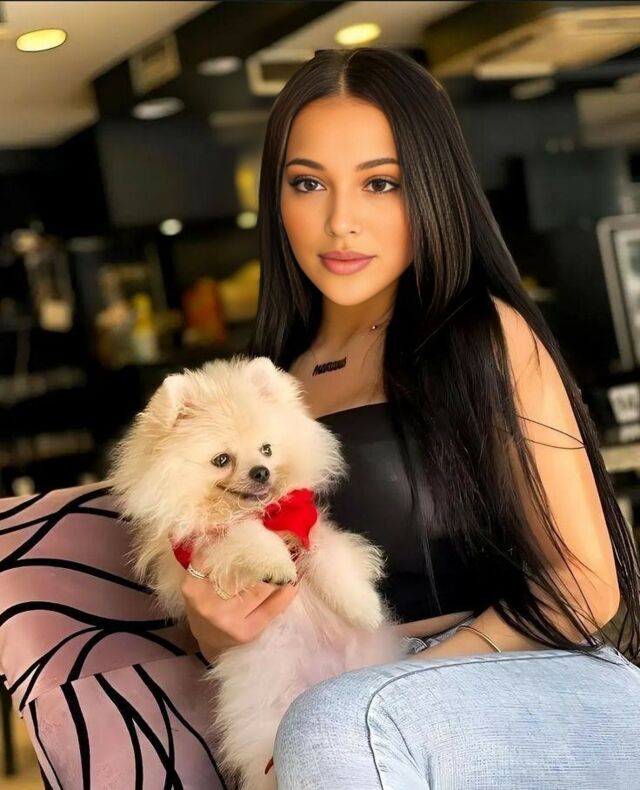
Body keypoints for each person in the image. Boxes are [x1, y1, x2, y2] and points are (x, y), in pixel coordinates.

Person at [181, 46, 640, 787]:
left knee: (324, 725)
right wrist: (214, 629)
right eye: (308, 184)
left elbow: (586, 582)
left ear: (429, 188)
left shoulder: (482, 337)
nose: (341, 223)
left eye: (380, 183)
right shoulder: (262, 393)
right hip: (340, 724)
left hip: (526, 688)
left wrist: (386, 686)